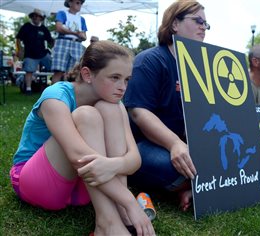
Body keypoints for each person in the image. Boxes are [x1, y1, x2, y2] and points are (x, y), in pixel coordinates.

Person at [9, 40, 155, 236]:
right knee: (87, 115)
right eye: (115, 77)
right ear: (87, 74)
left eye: (127, 79)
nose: (123, 87)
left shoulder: (114, 103)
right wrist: (130, 201)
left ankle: (117, 214)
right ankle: (109, 224)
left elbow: (134, 159)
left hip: (83, 188)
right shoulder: (56, 97)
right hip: (38, 183)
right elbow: (78, 155)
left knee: (109, 109)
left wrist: (112, 165)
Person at [124, 0, 211, 212]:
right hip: (140, 144)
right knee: (171, 166)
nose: (203, 27)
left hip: (182, 141)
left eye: (206, 24)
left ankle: (191, 186)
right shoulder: (150, 60)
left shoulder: (201, 68)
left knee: (226, 153)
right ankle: (194, 184)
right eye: (198, 21)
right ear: (174, 24)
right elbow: (138, 112)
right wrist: (174, 144)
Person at [16, 8, 54, 94]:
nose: (36, 18)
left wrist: (56, 47)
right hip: (30, 54)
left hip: (43, 53)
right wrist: (19, 50)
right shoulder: (26, 26)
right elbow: (18, 38)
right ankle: (28, 89)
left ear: (41, 18)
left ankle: (54, 86)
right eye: (35, 16)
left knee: (55, 67)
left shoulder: (44, 28)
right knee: (29, 71)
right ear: (32, 17)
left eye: (39, 16)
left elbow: (50, 41)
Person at [51, 0, 87, 84]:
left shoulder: (81, 19)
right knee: (58, 71)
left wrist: (78, 35)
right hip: (63, 42)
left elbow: (84, 36)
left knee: (74, 72)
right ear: (70, 3)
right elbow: (58, 28)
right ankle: (52, 94)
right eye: (77, 2)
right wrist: (76, 33)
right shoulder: (62, 13)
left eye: (81, 3)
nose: (80, 5)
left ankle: (70, 94)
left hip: (77, 44)